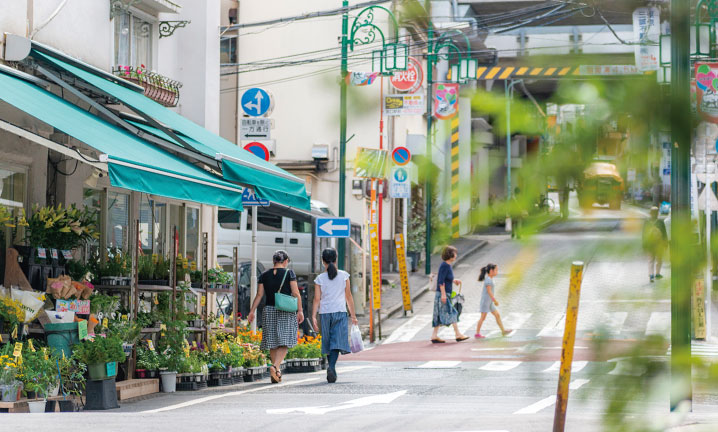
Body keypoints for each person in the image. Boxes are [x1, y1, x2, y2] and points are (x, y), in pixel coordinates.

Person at [247, 250, 304, 384]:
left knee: (272, 342)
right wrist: (300, 310)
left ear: (274, 261)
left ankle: (276, 372)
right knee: (285, 341)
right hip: (285, 309)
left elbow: (259, 295)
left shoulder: (264, 274)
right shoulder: (289, 273)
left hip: (269, 310)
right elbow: (295, 293)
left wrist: (252, 311)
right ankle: (275, 367)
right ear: (285, 262)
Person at [312, 248, 358, 383]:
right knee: (336, 342)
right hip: (340, 311)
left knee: (327, 341)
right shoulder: (344, 276)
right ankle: (331, 366)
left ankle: (330, 367)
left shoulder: (320, 279)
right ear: (336, 259)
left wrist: (314, 316)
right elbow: (348, 297)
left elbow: (316, 299)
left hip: (325, 313)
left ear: (322, 261)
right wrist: (353, 315)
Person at [430, 246, 469, 343]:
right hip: (443, 294)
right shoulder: (444, 266)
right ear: (450, 255)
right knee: (453, 312)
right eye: (455, 253)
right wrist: (443, 295)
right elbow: (441, 281)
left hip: (444, 293)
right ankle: (458, 334)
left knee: (438, 314)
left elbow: (446, 278)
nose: (456, 255)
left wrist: (453, 280)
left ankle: (434, 335)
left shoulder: (447, 265)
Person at [475, 264, 512, 338]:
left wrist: (492, 301)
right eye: (496, 270)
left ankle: (503, 331)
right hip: (486, 302)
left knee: (497, 315)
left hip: (489, 302)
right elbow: (489, 291)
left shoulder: (490, 279)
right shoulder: (488, 280)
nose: (497, 272)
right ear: (491, 271)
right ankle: (477, 333)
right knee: (483, 318)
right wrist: (494, 300)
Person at [643, 206, 668, 283]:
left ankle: (651, 275)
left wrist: (644, 245)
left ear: (650, 213)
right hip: (658, 244)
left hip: (650, 244)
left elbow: (644, 234)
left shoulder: (646, 222)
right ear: (657, 213)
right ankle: (657, 273)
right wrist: (665, 243)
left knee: (650, 260)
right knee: (659, 259)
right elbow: (664, 233)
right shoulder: (660, 222)